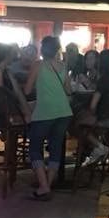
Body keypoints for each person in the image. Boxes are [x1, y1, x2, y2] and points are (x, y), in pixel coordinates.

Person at [23, 35, 73, 200]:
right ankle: (47, 185)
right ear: (57, 49)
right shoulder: (63, 66)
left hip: (44, 112)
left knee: (35, 148)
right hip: (64, 112)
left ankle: (43, 185)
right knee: (56, 148)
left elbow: (27, 90)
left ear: (43, 50)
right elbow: (68, 91)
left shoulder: (38, 65)